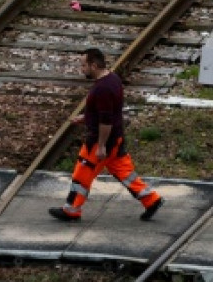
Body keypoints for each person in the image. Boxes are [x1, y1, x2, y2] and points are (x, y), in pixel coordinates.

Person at [50, 47, 164, 222]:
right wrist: (86, 117)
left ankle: (72, 210)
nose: (82, 69)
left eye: (83, 65)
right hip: (115, 138)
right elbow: (105, 112)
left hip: (101, 140)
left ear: (94, 65)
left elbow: (106, 121)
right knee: (124, 172)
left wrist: (101, 145)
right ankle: (152, 200)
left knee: (82, 172)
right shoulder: (113, 79)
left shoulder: (102, 89)